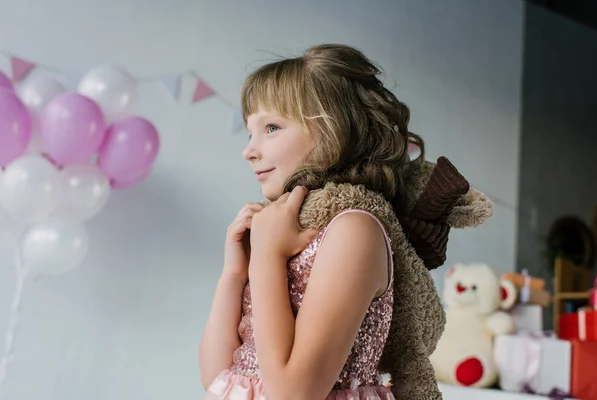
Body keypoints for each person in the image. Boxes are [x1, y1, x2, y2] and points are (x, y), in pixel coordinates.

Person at [199, 44, 491, 399]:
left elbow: (294, 394)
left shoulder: (355, 229)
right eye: (250, 132)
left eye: (272, 127)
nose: (250, 150)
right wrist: (234, 271)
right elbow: (218, 377)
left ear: (332, 129)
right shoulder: (281, 228)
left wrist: (268, 255)